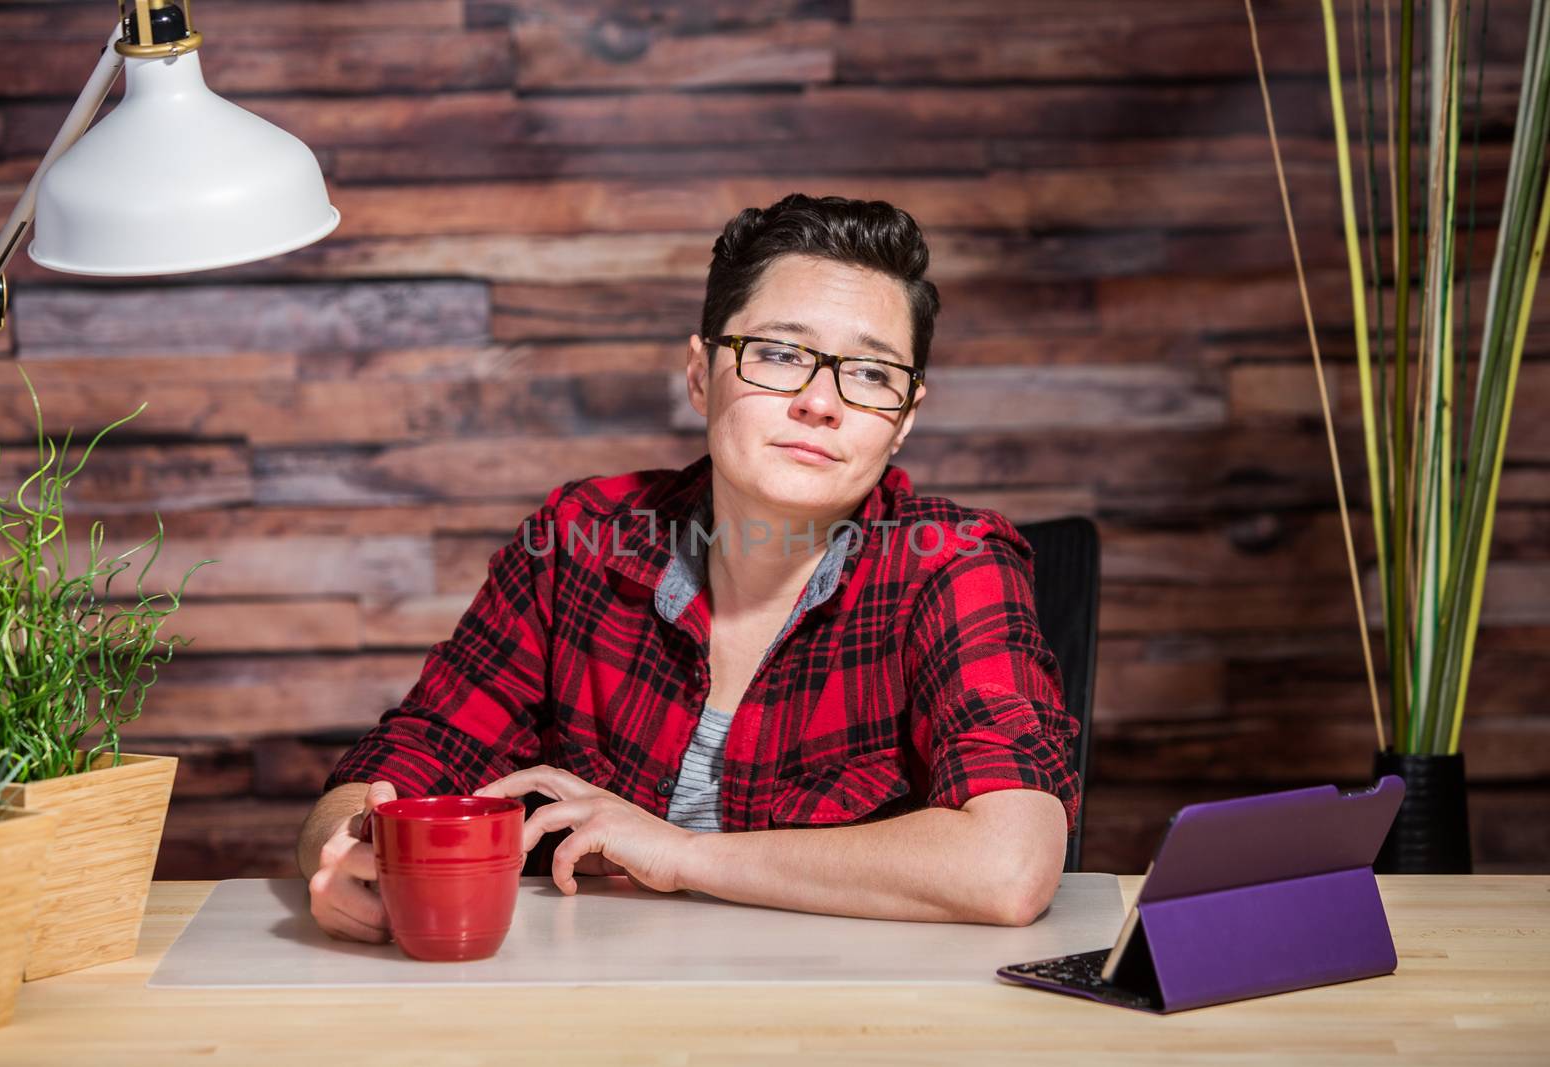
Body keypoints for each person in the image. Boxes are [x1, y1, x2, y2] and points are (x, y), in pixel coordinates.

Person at [296, 193, 1080, 942]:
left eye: (872, 374)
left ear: (903, 420)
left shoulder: (954, 561)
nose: (822, 400)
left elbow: (1008, 866)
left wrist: (678, 852)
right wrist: (345, 849)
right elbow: (407, 760)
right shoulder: (577, 541)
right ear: (701, 373)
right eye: (779, 354)